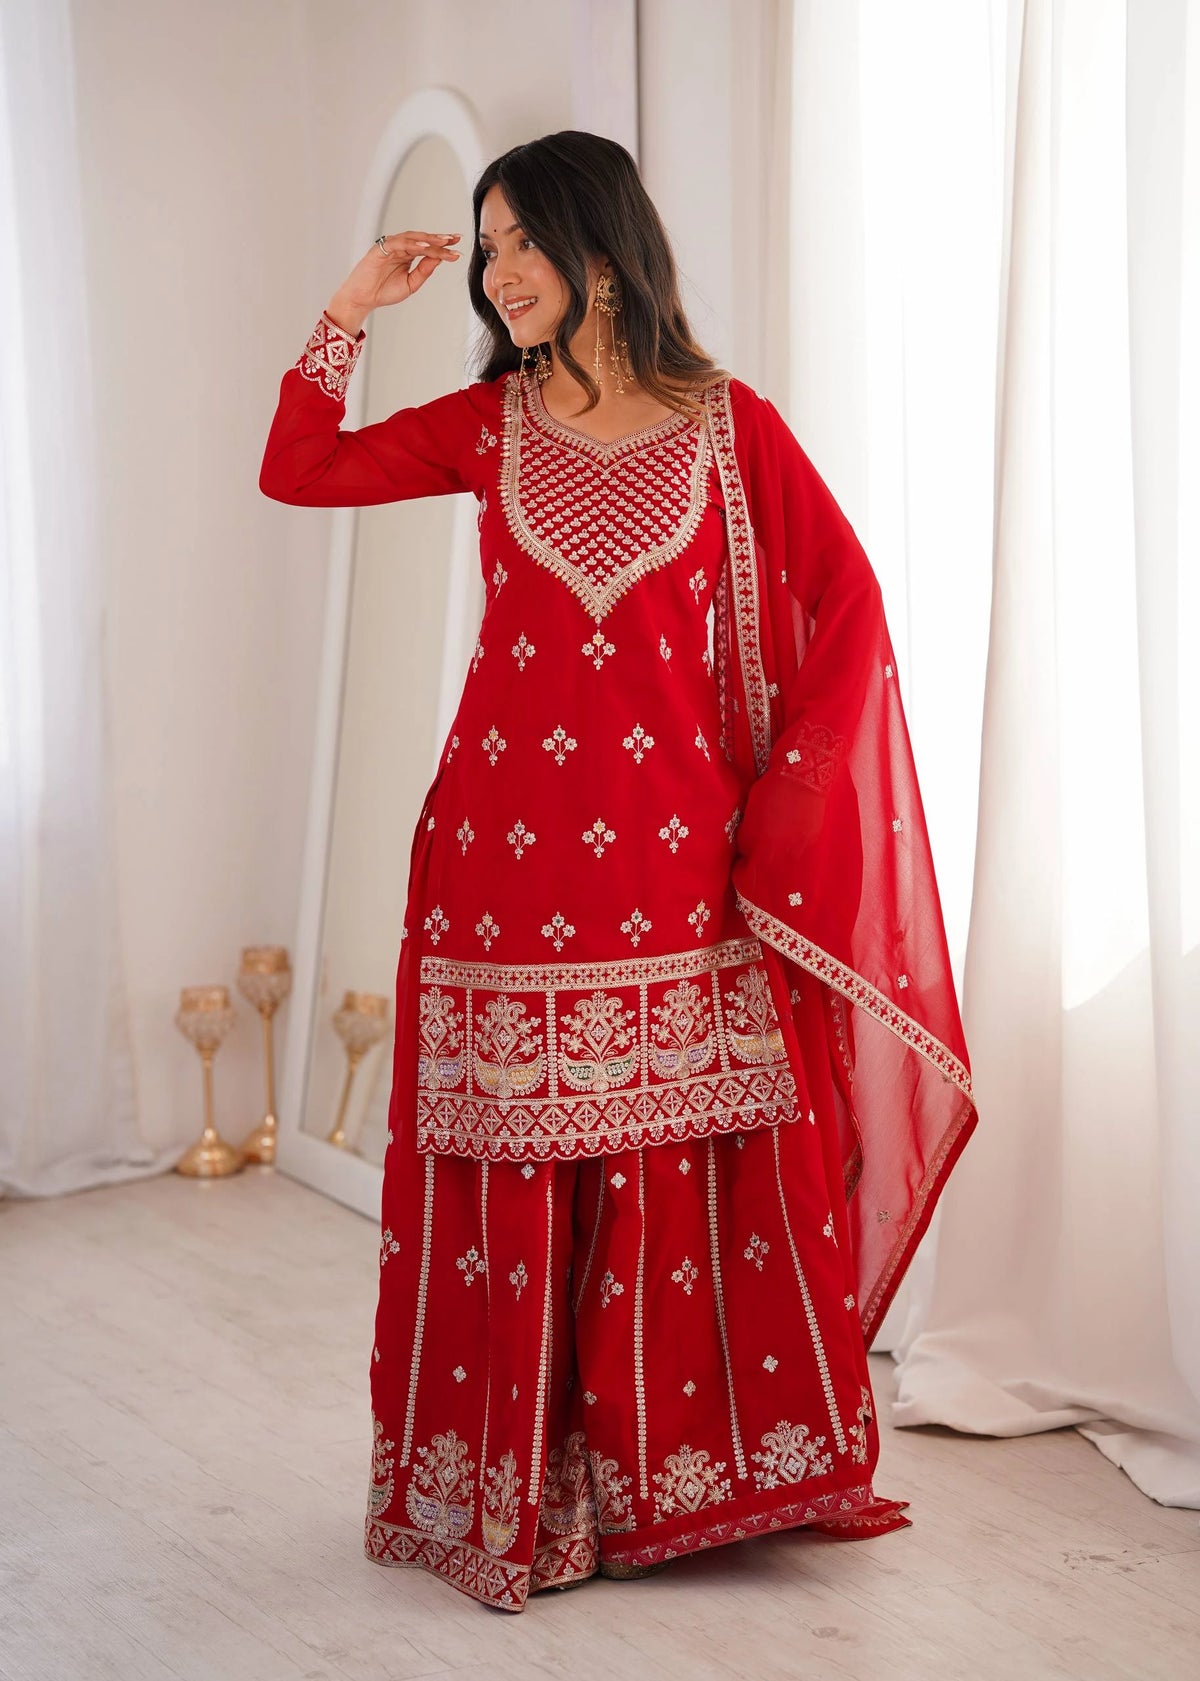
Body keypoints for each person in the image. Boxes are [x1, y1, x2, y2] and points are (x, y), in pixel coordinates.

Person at [259, 130, 977, 1613]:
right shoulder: (484, 425)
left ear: (598, 252)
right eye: (484, 244)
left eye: (520, 239)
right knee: (521, 1163)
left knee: (681, 1163)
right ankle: (527, 1490)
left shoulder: (731, 429)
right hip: (499, 868)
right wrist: (347, 310)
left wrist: (788, 801)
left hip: (678, 866)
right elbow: (300, 469)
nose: (496, 270)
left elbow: (848, 606)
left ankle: (688, 1485)